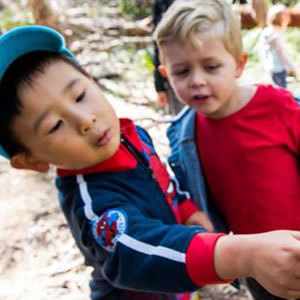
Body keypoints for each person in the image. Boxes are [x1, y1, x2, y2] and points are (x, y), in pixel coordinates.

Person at [1, 26, 300, 300]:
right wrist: (241, 255)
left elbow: (163, 181)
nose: (85, 120)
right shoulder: (93, 203)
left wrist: (186, 209)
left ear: (92, 81)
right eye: (54, 125)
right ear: (32, 160)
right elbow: (135, 250)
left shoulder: (131, 136)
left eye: (79, 95)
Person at [153, 0, 300, 299]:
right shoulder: (184, 133)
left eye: (211, 67)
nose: (197, 81)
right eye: (182, 71)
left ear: (238, 64)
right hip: (256, 262)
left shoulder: (277, 107)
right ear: (166, 75)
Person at [258, 4, 298, 88]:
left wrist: (264, 65)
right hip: (279, 69)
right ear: (282, 18)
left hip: (270, 68)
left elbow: (260, 50)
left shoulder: (266, 32)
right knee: (282, 93)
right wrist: (293, 67)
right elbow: (281, 52)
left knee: (276, 91)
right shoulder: (276, 35)